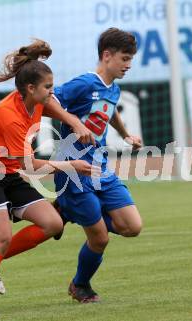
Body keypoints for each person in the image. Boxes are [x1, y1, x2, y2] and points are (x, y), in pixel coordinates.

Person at [0, 39, 100, 317]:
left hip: (9, 174)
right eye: (48, 87)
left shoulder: (35, 101)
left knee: (52, 223)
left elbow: (54, 107)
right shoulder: (10, 115)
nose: (52, 92)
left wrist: (74, 121)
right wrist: (71, 166)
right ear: (31, 88)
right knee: (1, 237)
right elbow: (32, 167)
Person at [53, 27, 143, 303]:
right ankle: (80, 286)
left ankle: (68, 210)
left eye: (131, 59)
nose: (129, 65)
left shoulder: (112, 88)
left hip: (100, 168)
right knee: (100, 239)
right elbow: (50, 100)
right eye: (125, 59)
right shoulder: (83, 84)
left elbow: (110, 108)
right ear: (107, 55)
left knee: (132, 227)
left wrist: (126, 133)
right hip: (74, 170)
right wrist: (74, 122)